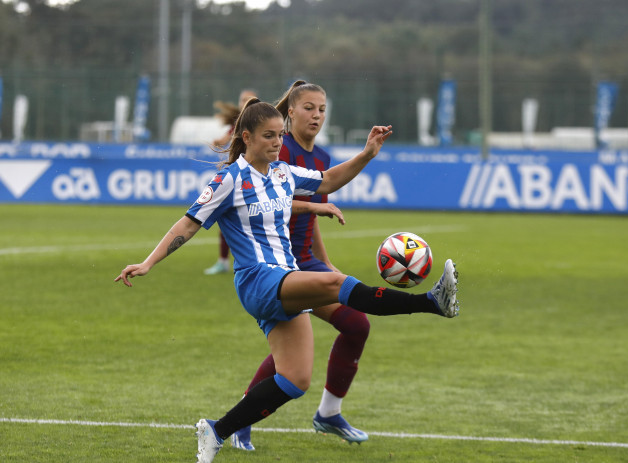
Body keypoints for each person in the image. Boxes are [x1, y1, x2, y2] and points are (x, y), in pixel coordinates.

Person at [114, 98, 459, 463]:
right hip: (258, 280)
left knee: (295, 381)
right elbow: (187, 223)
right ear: (246, 137)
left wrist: (367, 154)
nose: (278, 142)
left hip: (285, 278)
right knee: (333, 283)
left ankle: (216, 430)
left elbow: (328, 180)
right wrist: (149, 262)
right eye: (268, 136)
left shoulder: (282, 173)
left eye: (280, 135)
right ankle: (432, 301)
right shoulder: (228, 179)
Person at [229, 81, 368, 451]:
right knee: (295, 348)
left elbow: (310, 220)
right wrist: (314, 206)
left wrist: (325, 262)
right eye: (309, 108)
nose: (317, 116)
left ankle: (328, 413)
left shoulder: (321, 158)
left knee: (354, 324)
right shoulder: (276, 147)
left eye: (322, 109)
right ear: (290, 111)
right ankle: (244, 418)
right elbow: (268, 199)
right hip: (277, 264)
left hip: (305, 260)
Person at [204, 88, 258, 275]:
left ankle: (246, 261)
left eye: (247, 99)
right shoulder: (238, 124)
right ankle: (225, 261)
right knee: (227, 218)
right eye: (242, 99)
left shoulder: (258, 122)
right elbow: (226, 139)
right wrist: (218, 142)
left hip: (254, 178)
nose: (243, 103)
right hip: (239, 178)